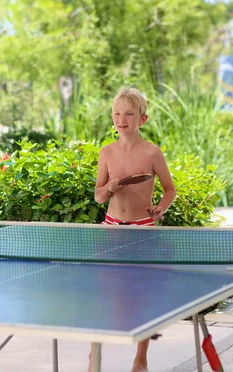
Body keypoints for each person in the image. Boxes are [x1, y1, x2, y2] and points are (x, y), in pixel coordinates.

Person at [92, 87, 177, 372]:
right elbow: (98, 197)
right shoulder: (106, 152)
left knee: (142, 294)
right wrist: (109, 187)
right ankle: (94, 355)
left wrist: (160, 209)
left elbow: (169, 189)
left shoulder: (153, 152)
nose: (122, 118)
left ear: (143, 119)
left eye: (129, 113)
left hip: (143, 228)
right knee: (102, 293)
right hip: (111, 228)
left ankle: (140, 359)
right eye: (117, 113)